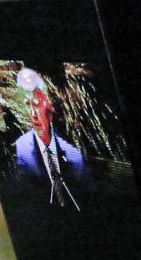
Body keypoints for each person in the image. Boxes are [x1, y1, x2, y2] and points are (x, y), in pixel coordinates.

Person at [13, 67, 86, 211]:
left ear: (51, 110)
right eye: (28, 105)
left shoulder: (74, 155)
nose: (33, 114)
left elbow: (86, 193)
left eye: (37, 104)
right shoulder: (22, 148)